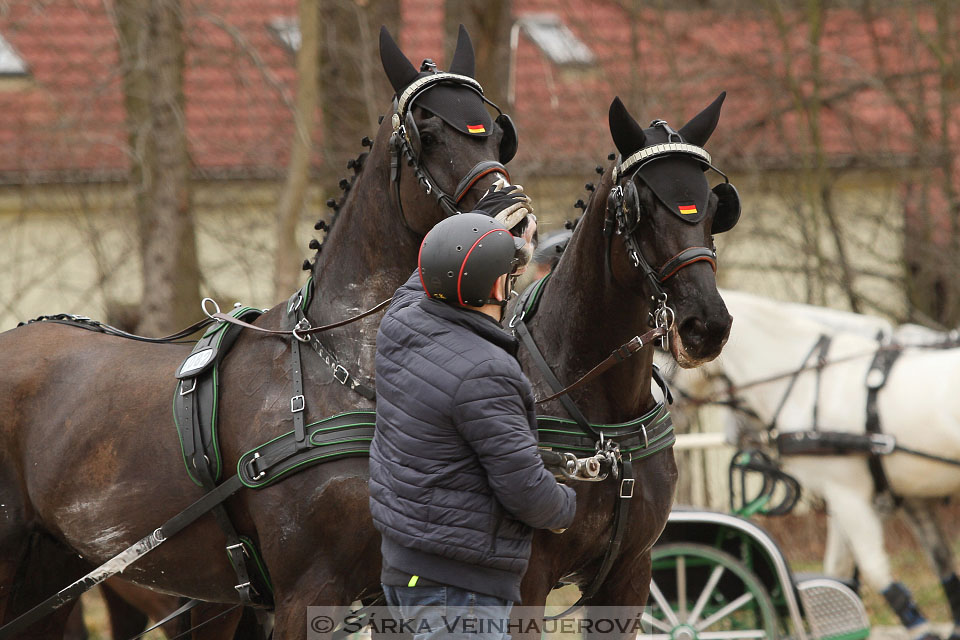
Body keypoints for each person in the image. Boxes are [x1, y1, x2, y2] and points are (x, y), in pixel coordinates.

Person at [369, 188, 576, 640]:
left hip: (404, 567)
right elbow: (524, 490)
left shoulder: (400, 324)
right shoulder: (488, 371)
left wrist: (477, 225)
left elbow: (420, 280)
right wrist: (565, 507)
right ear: (499, 287)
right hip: (460, 588)